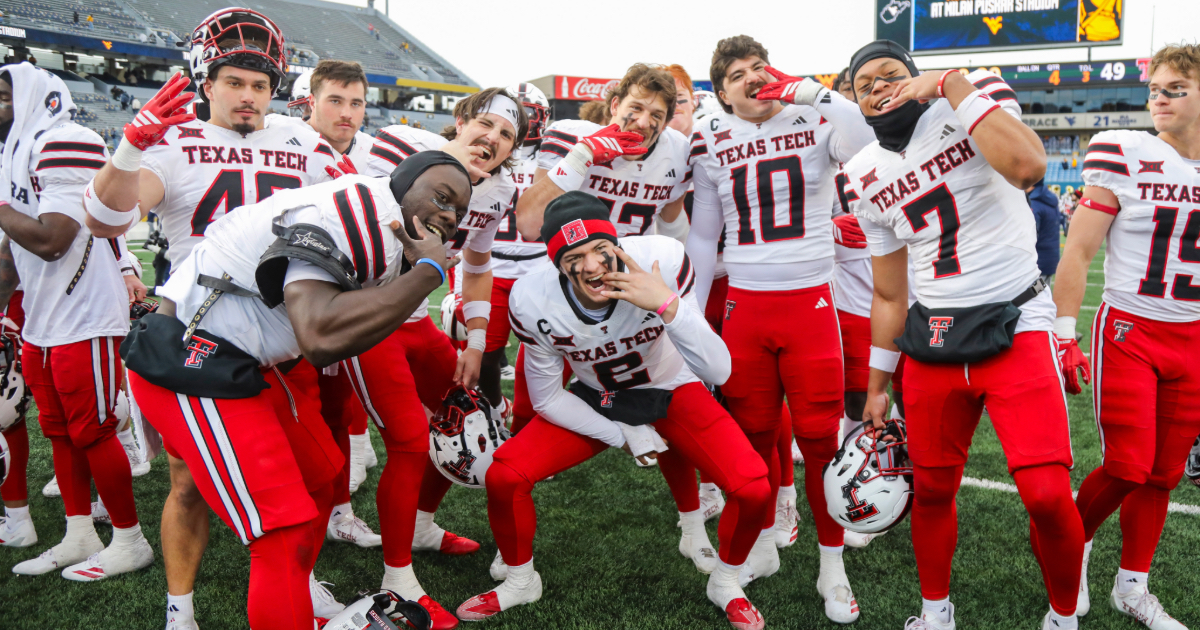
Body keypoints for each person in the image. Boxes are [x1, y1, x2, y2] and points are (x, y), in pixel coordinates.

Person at [125, 149, 469, 630]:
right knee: (279, 531)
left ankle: (296, 592)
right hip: (196, 357)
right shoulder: (348, 216)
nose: (449, 215)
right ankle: (187, 614)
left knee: (323, 476)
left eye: (458, 210)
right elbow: (320, 335)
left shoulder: (388, 229)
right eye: (442, 196)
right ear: (402, 182)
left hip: (253, 362)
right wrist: (429, 274)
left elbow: (348, 327)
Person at [82, 9, 343, 628]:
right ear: (206, 80)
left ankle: (297, 581)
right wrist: (127, 148)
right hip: (205, 333)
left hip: (283, 330)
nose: (248, 96)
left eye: (259, 84)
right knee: (187, 482)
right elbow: (104, 221)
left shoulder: (301, 141)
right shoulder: (171, 141)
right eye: (235, 81)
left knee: (317, 470)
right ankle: (180, 607)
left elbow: (350, 209)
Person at [838, 40, 1083, 630]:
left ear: (917, 77)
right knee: (933, 490)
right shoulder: (861, 173)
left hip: (1016, 320)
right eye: (863, 83)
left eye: (890, 74)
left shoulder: (972, 97)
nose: (877, 87)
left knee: (1048, 495)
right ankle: (934, 612)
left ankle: (1065, 613)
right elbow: (891, 294)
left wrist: (950, 83)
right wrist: (878, 384)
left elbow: (1028, 168)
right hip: (934, 341)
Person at [455, 192, 772, 630]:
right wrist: (623, 433)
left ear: (617, 242)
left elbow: (718, 368)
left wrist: (667, 304)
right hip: (597, 394)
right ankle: (521, 579)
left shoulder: (661, 258)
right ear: (556, 264)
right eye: (573, 257)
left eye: (600, 251)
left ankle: (726, 581)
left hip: (671, 386)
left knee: (753, 487)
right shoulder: (532, 298)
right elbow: (547, 398)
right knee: (505, 475)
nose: (590, 266)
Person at [685, 36, 874, 623]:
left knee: (821, 443)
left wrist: (810, 89)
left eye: (758, 68)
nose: (751, 79)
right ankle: (759, 547)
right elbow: (701, 234)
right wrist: (691, 311)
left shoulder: (814, 116)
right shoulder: (712, 136)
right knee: (754, 438)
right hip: (746, 305)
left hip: (811, 306)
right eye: (736, 74)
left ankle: (832, 564)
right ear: (720, 92)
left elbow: (865, 144)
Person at [362, 87, 526, 629]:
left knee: (461, 413)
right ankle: (396, 576)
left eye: (506, 135)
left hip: (415, 321)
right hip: (366, 317)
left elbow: (478, 264)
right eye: (486, 124)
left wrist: (476, 342)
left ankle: (423, 525)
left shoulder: (496, 189)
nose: (493, 139)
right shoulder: (398, 146)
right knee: (410, 439)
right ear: (459, 121)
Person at [1054, 43, 1200, 630]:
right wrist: (1064, 331)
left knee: (1164, 473)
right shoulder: (1126, 151)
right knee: (1128, 465)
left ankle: (1132, 586)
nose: (1158, 99)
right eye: (1155, 89)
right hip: (1130, 329)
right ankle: (1072, 542)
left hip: (1192, 336)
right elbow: (1080, 248)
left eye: (1175, 89)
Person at [0, 63, 154, 581]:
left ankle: (130, 540)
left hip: (84, 314)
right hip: (43, 317)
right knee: (59, 433)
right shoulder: (15, 151)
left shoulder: (66, 138)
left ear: (34, 99)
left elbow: (52, 239)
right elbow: (11, 253)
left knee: (93, 430)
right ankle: (79, 531)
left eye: (3, 97)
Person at [286, 59, 385, 541]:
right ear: (312, 100)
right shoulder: (285, 143)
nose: (347, 113)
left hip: (344, 298)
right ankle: (289, 508)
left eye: (357, 102)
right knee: (288, 416)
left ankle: (339, 512)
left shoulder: (375, 151)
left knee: (337, 409)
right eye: (335, 101)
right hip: (280, 301)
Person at [1027, 179, 1060, 283]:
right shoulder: (1049, 201)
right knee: (1044, 294)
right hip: (1049, 258)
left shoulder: (1035, 204)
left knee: (1032, 296)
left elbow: (1030, 235)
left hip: (1038, 261)